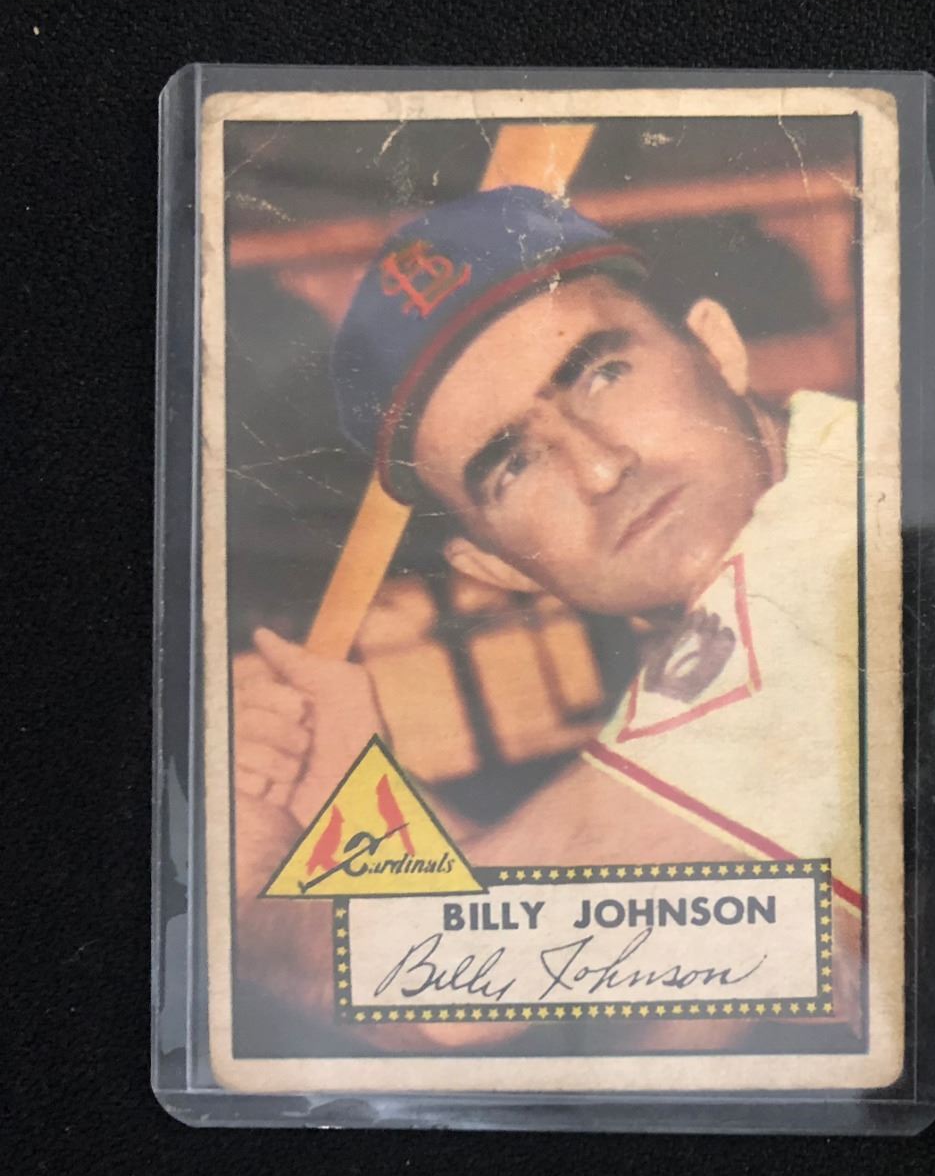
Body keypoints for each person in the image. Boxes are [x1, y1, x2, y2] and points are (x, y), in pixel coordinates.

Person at [231, 186, 864, 1045]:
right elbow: (692, 961)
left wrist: (245, 876)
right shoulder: (834, 484)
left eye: (604, 375)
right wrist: (361, 792)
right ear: (493, 566)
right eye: (514, 466)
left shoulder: (808, 563)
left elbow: (436, 984)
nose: (599, 469)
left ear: (717, 347)